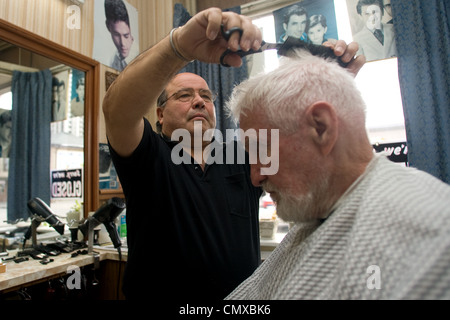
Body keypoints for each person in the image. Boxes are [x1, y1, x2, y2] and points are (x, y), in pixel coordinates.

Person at [102, 7, 364, 300]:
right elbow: (116, 110)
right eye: (184, 95)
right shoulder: (149, 156)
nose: (199, 102)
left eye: (206, 96)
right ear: (160, 114)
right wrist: (180, 47)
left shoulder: (240, 156)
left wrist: (331, 81)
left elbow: (305, 144)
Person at [224, 49, 450, 299]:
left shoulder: (432, 242)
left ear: (321, 128)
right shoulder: (317, 213)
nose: (255, 176)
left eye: (261, 150)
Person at [104, 0, 135, 71]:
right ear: (108, 26)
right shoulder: (112, 60)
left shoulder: (139, 58)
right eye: (116, 35)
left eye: (126, 36)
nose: (122, 43)